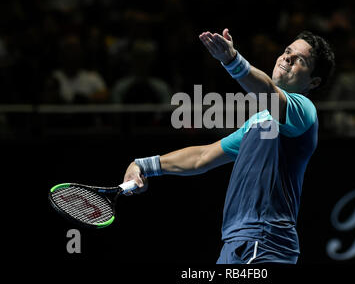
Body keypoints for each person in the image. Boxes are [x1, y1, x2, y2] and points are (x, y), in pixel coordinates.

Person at [122, 28, 335, 264]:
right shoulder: (259, 121)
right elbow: (202, 156)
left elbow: (267, 92)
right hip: (236, 243)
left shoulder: (304, 111)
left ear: (313, 81)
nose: (287, 58)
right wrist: (143, 165)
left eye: (300, 60)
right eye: (287, 52)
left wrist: (232, 61)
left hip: (266, 241)